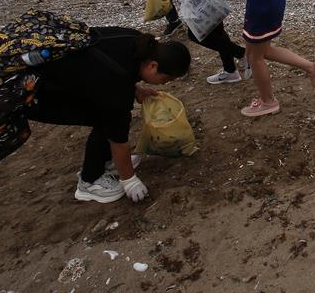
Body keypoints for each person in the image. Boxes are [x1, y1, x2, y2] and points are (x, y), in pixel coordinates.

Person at [26, 28, 191, 203]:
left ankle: (105, 161)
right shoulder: (117, 90)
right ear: (153, 66)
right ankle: (89, 181)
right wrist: (129, 180)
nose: (166, 83)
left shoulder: (137, 40)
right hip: (36, 93)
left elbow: (109, 65)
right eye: (167, 79)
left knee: (109, 113)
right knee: (106, 119)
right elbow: (118, 138)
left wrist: (137, 90)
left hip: (60, 72)